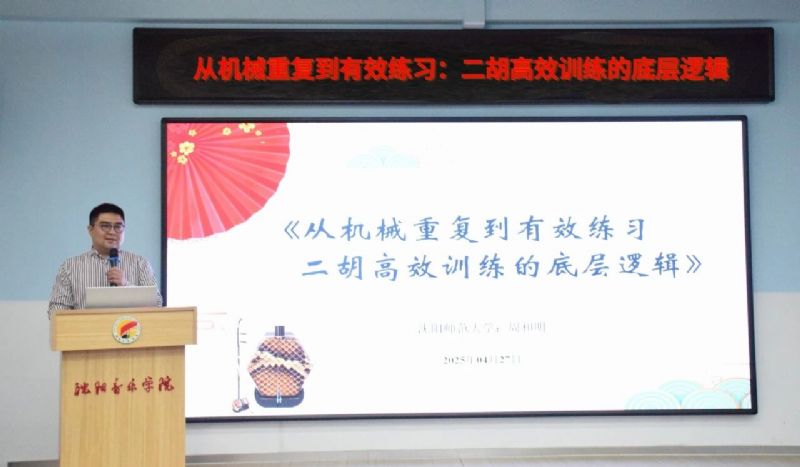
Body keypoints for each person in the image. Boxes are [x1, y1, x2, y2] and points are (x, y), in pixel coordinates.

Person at [48, 202, 162, 318]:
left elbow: (157, 305)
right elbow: (56, 310)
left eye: (118, 227)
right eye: (105, 226)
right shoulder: (70, 267)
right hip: (88, 329)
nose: (112, 232)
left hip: (130, 329)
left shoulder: (140, 264)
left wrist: (125, 285)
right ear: (90, 229)